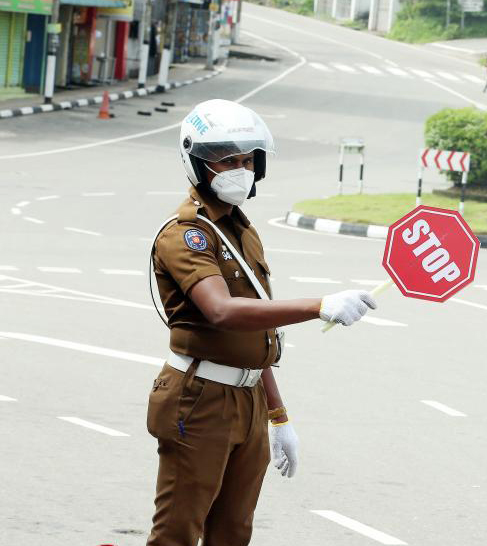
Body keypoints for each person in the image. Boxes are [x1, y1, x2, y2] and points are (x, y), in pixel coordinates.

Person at [146, 99, 377, 546]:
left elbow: (254, 330)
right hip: (199, 400)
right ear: (198, 164)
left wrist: (277, 414)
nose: (241, 169)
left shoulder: (241, 230)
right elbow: (222, 312)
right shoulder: (185, 234)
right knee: (177, 532)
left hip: (248, 397)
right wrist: (318, 305)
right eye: (228, 160)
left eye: (248, 160)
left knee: (234, 533)